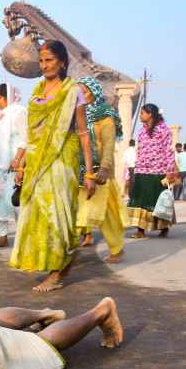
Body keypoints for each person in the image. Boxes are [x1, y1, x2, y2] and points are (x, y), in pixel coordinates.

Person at [10, 41, 96, 292]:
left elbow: (82, 134)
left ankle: (57, 272)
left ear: (62, 62)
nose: (45, 65)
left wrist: (89, 173)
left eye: (49, 60)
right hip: (37, 159)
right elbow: (31, 133)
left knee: (57, 213)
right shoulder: (36, 92)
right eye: (41, 61)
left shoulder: (73, 92)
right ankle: (53, 263)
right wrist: (22, 161)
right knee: (38, 214)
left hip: (62, 157)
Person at [75, 77, 127, 263]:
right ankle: (68, 250)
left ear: (94, 92)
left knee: (106, 215)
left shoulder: (105, 115)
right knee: (79, 211)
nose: (81, 95)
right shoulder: (77, 115)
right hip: (79, 172)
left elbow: (108, 145)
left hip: (100, 174)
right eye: (78, 92)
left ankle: (117, 249)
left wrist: (104, 169)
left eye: (85, 91)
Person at [0, 83, 26, 248]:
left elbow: (25, 139)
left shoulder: (19, 112)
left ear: (9, 97)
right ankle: (2, 236)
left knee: (14, 200)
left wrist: (17, 160)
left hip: (13, 162)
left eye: (0, 97)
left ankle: (23, 237)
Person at [127, 104, 176, 238]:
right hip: (142, 170)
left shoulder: (163, 129)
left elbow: (168, 150)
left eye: (142, 113)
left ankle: (163, 227)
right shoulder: (141, 131)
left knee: (158, 201)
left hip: (158, 171)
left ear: (150, 114)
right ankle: (140, 230)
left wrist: (170, 170)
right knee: (140, 200)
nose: (141, 116)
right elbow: (141, 151)